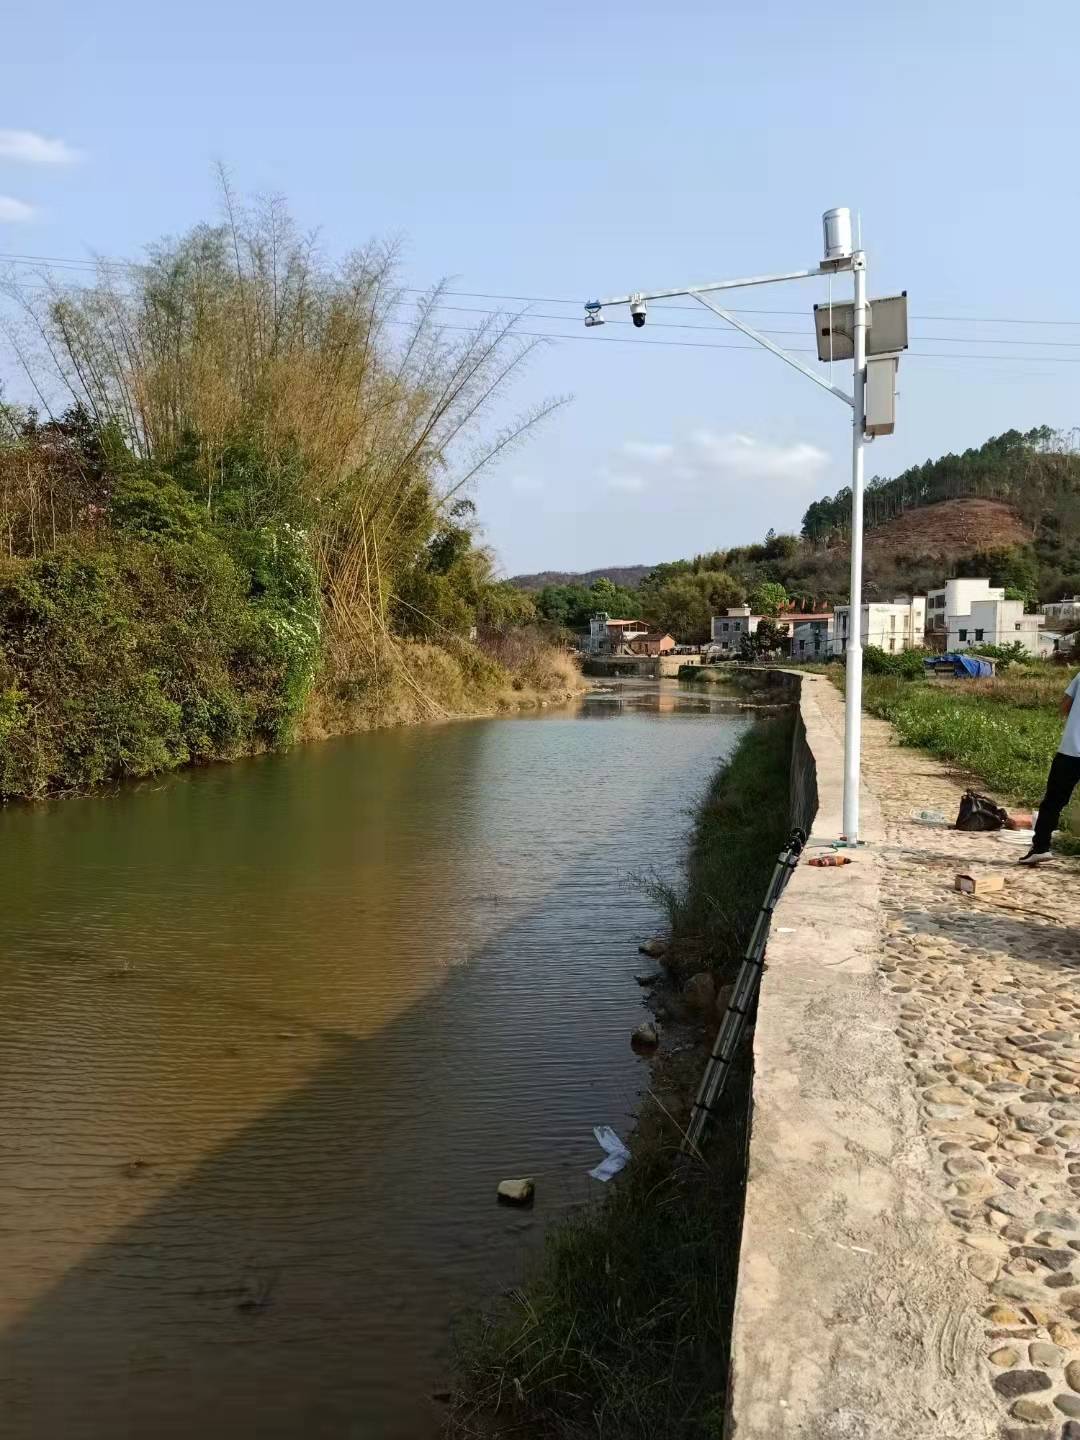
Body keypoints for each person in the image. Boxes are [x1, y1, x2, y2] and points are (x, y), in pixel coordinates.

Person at [1020, 671, 1080, 864]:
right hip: (1070, 750)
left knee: (1053, 802)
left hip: (1072, 750)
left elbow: (1064, 707)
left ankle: (1041, 847)